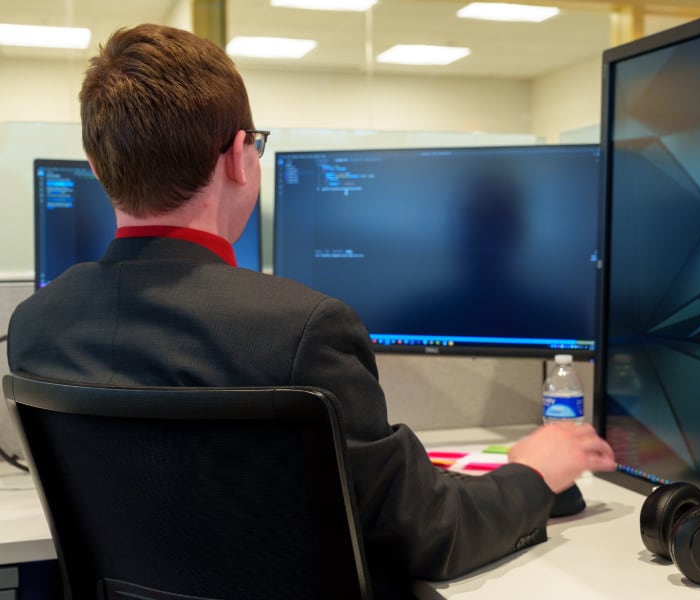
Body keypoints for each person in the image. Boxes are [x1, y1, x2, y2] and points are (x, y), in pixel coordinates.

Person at [7, 23, 616, 597]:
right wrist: (534, 473)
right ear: (240, 157)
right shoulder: (299, 330)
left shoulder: (35, 327)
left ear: (96, 168)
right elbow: (428, 537)